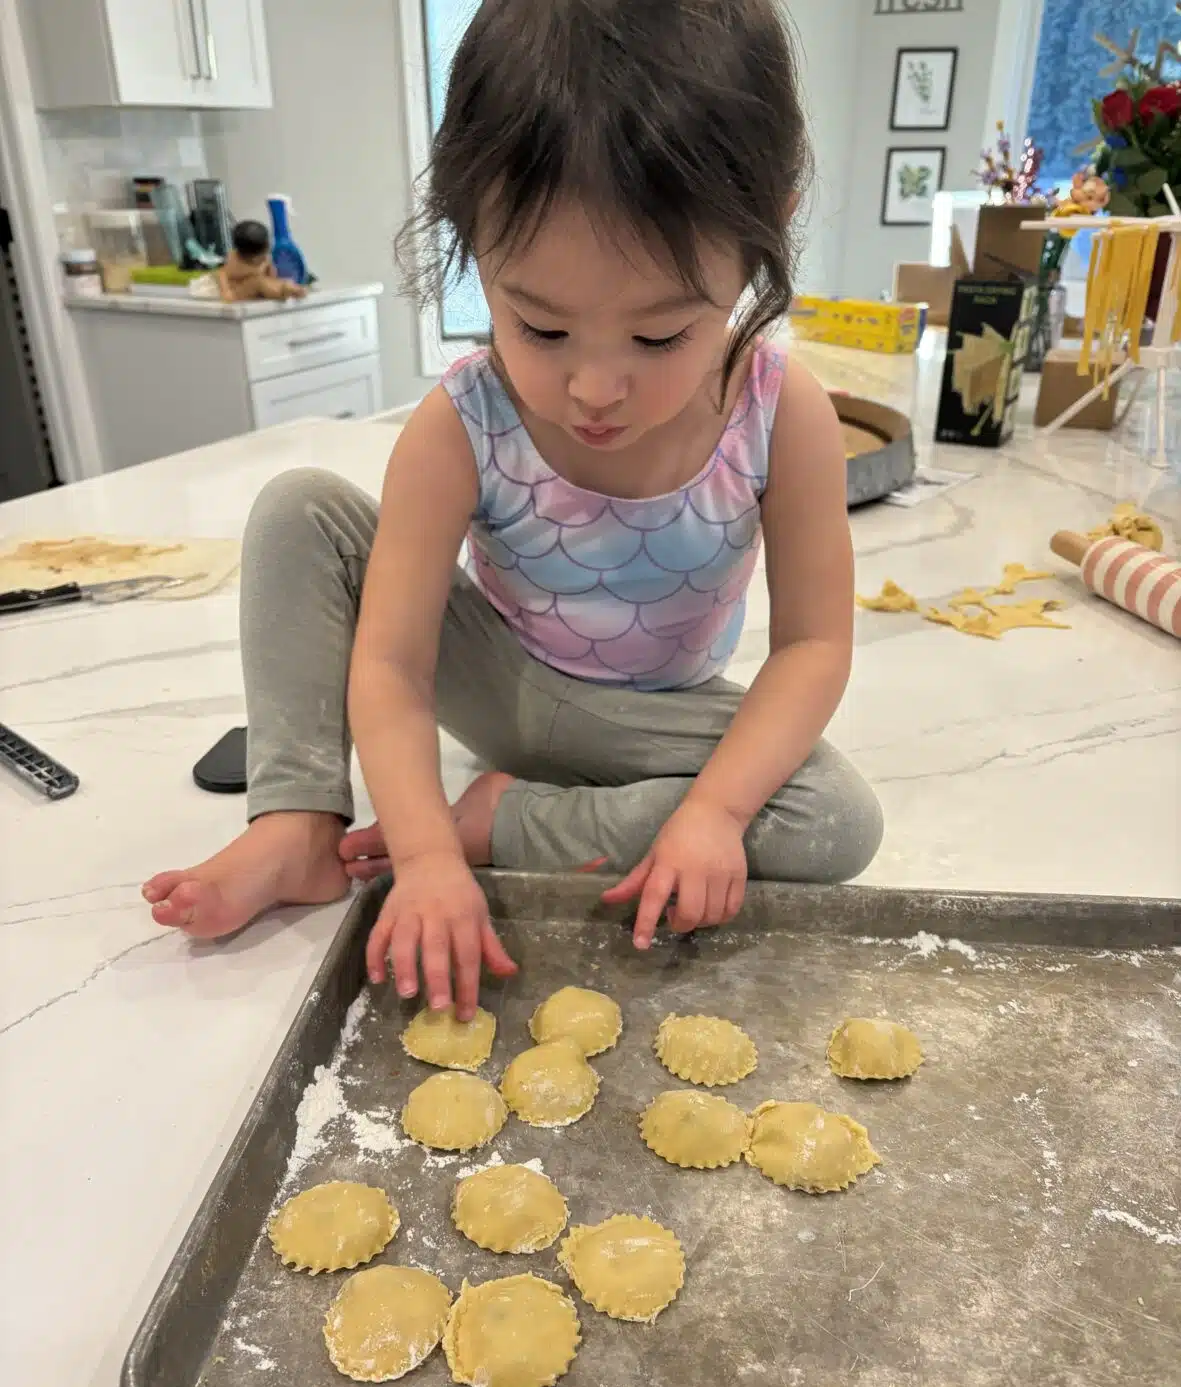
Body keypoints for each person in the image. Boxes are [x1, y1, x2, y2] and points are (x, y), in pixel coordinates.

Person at [143, 0, 883, 1017]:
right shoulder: (461, 423)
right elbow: (395, 666)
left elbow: (811, 648)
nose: (592, 389)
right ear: (469, 238)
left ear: (771, 222)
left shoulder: (779, 410)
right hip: (496, 680)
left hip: (655, 725)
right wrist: (423, 853)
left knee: (835, 821)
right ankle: (297, 824)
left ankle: (513, 818)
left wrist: (711, 812)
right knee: (300, 510)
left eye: (659, 338)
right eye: (539, 326)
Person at [216, 218, 306, 303]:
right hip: (237, 293)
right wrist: (226, 294)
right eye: (263, 256)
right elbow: (221, 275)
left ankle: (286, 288)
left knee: (267, 282)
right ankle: (283, 291)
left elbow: (271, 276)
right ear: (252, 257)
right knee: (257, 283)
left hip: (259, 290)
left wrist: (273, 278)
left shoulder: (265, 260)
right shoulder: (233, 262)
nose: (265, 258)